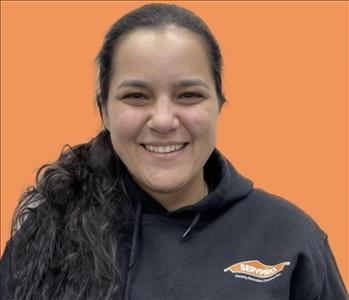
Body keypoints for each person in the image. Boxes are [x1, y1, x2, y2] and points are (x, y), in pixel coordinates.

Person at [1, 3, 348, 300]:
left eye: (189, 95)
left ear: (219, 106)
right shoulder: (46, 237)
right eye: (136, 96)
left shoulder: (290, 236)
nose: (164, 120)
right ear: (104, 110)